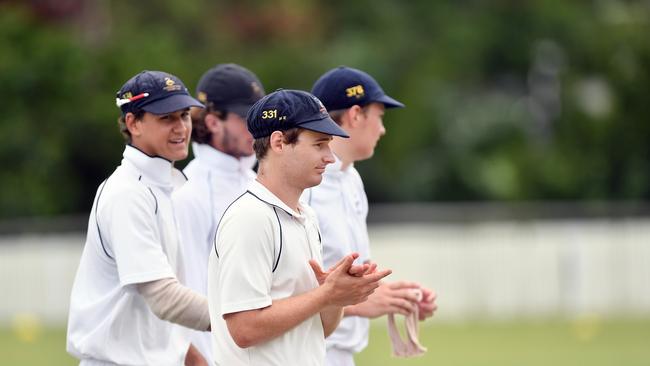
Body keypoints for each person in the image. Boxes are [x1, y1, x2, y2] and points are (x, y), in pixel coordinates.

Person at [207, 89, 392, 366]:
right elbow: (244, 329)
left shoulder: (306, 216)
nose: (330, 157)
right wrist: (325, 294)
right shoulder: (250, 218)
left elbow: (320, 329)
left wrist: (337, 294)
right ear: (279, 142)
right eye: (319, 145)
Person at [67, 70, 211, 366]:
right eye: (166, 118)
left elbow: (154, 318)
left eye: (184, 115)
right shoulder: (127, 193)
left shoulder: (166, 184)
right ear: (133, 123)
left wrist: (194, 358)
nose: (180, 127)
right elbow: (164, 298)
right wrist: (243, 317)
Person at [306, 66, 438, 366]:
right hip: (307, 352)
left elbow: (340, 277)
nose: (382, 129)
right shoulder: (304, 187)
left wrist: (394, 296)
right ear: (355, 115)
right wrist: (358, 301)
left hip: (340, 353)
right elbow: (281, 290)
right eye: (379, 116)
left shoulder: (351, 179)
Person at [173, 63, 265, 364]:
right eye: (244, 118)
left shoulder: (257, 183)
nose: (255, 128)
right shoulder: (188, 192)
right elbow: (179, 292)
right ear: (212, 122)